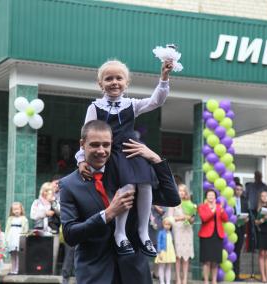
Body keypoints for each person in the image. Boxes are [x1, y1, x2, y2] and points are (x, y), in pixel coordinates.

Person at [60, 120, 180, 284]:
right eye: (95, 145)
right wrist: (108, 214)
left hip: (135, 273)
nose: (101, 151)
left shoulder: (131, 175)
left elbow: (172, 198)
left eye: (106, 145)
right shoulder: (69, 184)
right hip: (95, 275)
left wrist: (156, 159)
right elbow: (70, 235)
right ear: (82, 144)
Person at [76, 59, 173, 256]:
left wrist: (164, 78)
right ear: (100, 83)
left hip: (130, 151)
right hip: (109, 153)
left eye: (119, 78)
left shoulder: (131, 104)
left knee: (145, 183)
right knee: (128, 185)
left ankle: (143, 232)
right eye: (108, 78)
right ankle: (120, 233)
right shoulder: (95, 107)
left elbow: (157, 101)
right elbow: (85, 136)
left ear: (126, 83)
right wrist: (81, 160)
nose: (114, 82)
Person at [198, 189, 228, 284]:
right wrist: (214, 209)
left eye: (213, 195)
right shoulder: (202, 207)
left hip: (217, 235)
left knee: (215, 261)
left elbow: (225, 219)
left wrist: (222, 210)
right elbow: (204, 218)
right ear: (206, 197)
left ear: (215, 197)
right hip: (206, 236)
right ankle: (206, 281)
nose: (211, 197)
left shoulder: (219, 207)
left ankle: (214, 280)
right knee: (206, 260)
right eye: (209, 195)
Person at [168, 184, 194, 284]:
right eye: (180, 190)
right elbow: (170, 219)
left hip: (187, 230)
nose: (182, 192)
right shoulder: (173, 203)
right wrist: (181, 218)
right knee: (178, 256)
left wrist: (191, 218)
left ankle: (185, 279)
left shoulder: (190, 203)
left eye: (184, 191)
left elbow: (192, 218)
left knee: (186, 256)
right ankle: (178, 278)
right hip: (177, 230)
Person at [4, 202, 28, 275]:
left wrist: (24, 237)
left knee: (18, 254)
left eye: (18, 209)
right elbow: (7, 229)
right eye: (14, 209)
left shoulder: (24, 219)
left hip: (19, 237)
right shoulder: (10, 219)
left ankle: (18, 269)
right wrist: (6, 238)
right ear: (12, 211)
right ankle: (13, 269)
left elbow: (25, 229)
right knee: (12, 254)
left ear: (21, 209)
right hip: (12, 237)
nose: (16, 211)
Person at [233, 184, 249, 281]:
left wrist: (246, 219)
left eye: (240, 190)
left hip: (241, 228)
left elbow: (247, 213)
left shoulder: (244, 202)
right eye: (237, 189)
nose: (239, 191)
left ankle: (236, 275)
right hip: (232, 229)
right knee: (232, 252)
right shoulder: (231, 201)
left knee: (238, 253)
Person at [154, 217, 176, 284]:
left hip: (170, 252)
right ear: (163, 224)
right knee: (161, 267)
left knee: (169, 267)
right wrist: (159, 251)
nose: (167, 226)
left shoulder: (171, 233)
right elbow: (158, 242)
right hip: (163, 251)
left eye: (169, 224)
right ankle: (162, 282)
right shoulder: (161, 233)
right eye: (166, 224)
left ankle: (168, 282)